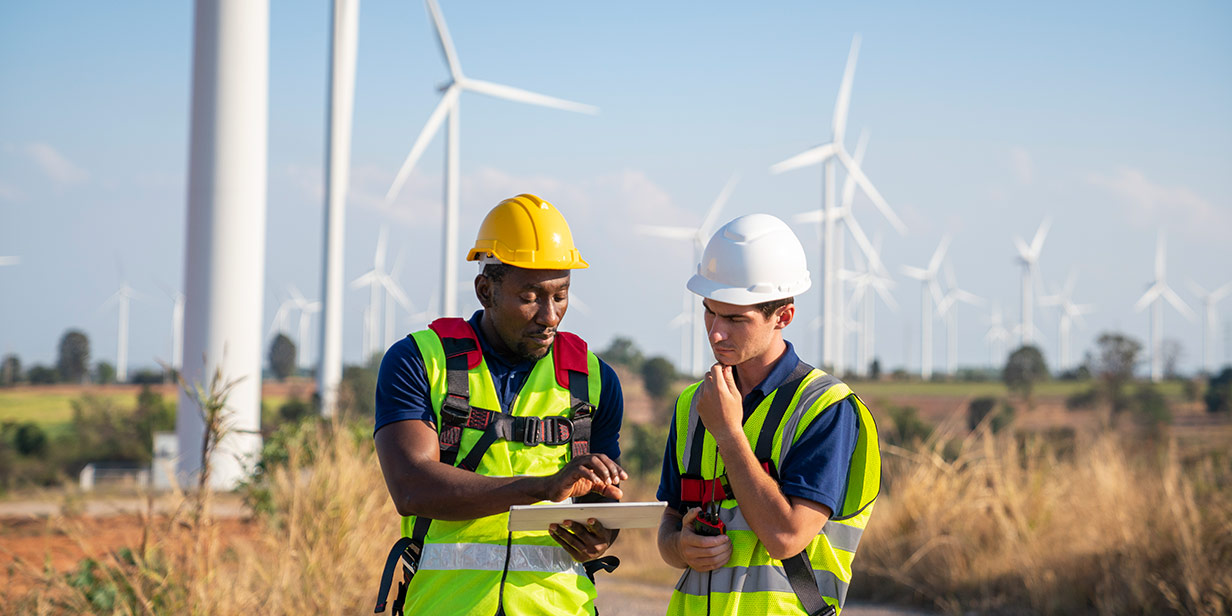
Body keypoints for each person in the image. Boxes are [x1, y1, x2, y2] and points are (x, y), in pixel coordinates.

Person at [372, 194, 628, 616]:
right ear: (485, 290)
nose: (550, 315)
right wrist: (542, 488)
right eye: (530, 297)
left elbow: (600, 507)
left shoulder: (596, 381)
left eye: (561, 295)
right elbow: (412, 487)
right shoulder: (420, 361)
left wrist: (602, 536)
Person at [655, 213, 881, 616]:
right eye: (710, 311)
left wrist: (728, 431)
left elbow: (786, 537)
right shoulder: (693, 404)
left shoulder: (826, 408)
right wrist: (679, 547)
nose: (715, 332)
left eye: (735, 319)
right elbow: (670, 523)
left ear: (784, 316)